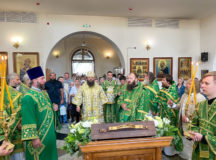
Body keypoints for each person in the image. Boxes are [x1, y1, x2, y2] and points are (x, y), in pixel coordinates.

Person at [21, 66, 58, 160]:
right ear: (34, 80)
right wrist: (34, 138)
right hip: (39, 138)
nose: (44, 80)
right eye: (42, 78)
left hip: (49, 136)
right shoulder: (28, 97)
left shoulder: (44, 94)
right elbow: (28, 119)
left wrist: (53, 107)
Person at [188, 71, 216, 159]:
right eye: (202, 83)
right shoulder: (200, 105)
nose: (202, 86)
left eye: (206, 83)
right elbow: (193, 123)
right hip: (198, 152)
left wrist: (204, 138)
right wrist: (192, 134)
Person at [176, 79, 205, 160]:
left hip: (192, 128)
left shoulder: (200, 98)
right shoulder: (184, 95)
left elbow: (201, 116)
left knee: (190, 150)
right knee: (184, 147)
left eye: (189, 84)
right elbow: (180, 106)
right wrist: (172, 105)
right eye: (187, 83)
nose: (187, 86)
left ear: (195, 86)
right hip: (182, 126)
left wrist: (188, 119)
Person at [157, 74, 182, 156]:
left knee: (170, 131)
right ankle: (164, 149)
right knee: (163, 131)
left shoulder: (173, 91)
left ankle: (171, 152)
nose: (162, 81)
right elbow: (158, 99)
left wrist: (168, 104)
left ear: (168, 81)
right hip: (162, 114)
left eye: (163, 80)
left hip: (171, 115)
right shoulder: (162, 90)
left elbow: (176, 104)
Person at [6, 73, 24, 160]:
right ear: (11, 80)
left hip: (5, 130)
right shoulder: (17, 94)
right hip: (17, 129)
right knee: (18, 155)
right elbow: (19, 112)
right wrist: (19, 123)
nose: (19, 81)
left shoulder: (3, 92)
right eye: (17, 80)